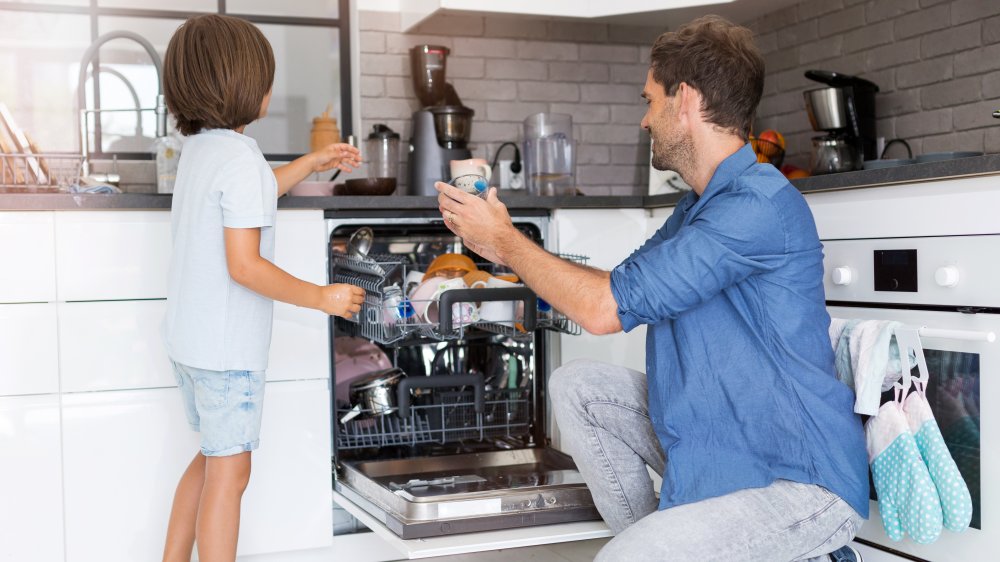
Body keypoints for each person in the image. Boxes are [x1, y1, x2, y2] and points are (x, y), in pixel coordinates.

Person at [435, 15, 868, 562]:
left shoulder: (755, 207)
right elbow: (617, 288)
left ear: (684, 100)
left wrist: (508, 241)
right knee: (579, 387)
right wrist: (502, 248)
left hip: (799, 478)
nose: (644, 119)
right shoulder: (696, 210)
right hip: (720, 460)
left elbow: (602, 310)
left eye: (650, 99)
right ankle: (662, 543)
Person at [160, 14, 364, 562]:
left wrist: (312, 161)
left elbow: (254, 194)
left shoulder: (203, 152)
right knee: (231, 474)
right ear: (247, 86)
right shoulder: (240, 158)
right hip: (228, 355)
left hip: (190, 346)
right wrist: (321, 297)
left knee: (209, 459)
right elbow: (245, 267)